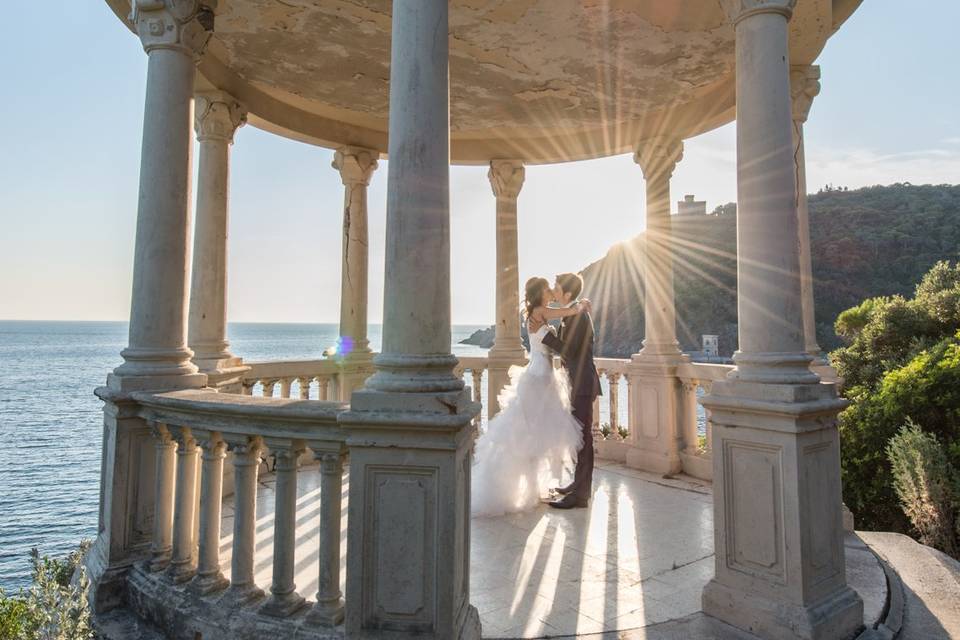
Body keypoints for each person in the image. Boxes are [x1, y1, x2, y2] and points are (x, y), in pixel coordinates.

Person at [471, 277, 590, 517]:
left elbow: (561, 314)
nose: (550, 291)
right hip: (539, 375)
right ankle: (523, 488)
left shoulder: (540, 311)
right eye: (547, 289)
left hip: (543, 373)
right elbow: (565, 312)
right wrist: (580, 306)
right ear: (539, 293)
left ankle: (538, 488)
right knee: (532, 434)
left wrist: (575, 309)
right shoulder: (539, 311)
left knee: (536, 434)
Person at [540, 272, 601, 509]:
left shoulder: (577, 317)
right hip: (577, 383)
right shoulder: (572, 314)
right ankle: (577, 485)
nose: (554, 291)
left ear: (566, 293)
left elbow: (570, 351)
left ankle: (581, 495)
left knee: (583, 439)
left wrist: (546, 337)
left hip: (582, 384)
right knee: (579, 437)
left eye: (556, 288)